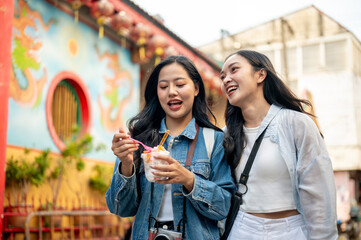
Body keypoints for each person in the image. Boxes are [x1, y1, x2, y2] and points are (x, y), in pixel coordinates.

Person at [106, 55, 234, 239]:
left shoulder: (214, 140)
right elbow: (119, 208)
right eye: (164, 87)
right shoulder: (140, 140)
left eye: (180, 85)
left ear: (196, 88)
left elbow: (224, 207)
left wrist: (189, 180)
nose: (171, 92)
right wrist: (126, 165)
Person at [219, 50, 337, 239]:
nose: (226, 80)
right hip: (242, 230)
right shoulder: (225, 135)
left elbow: (319, 194)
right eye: (222, 76)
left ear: (261, 74)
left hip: (292, 231)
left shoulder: (296, 123)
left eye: (234, 70)